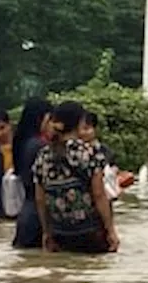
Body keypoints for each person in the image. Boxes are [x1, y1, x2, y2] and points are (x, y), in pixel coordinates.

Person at [33, 100, 120, 254]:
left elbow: (40, 199)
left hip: (60, 233)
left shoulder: (43, 155)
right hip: (89, 231)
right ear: (79, 122)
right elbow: (99, 195)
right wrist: (111, 230)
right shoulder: (89, 152)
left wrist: (47, 232)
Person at [11, 98, 52, 248]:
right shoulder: (39, 146)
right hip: (38, 217)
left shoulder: (23, 142)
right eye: (49, 119)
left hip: (26, 215)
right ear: (40, 119)